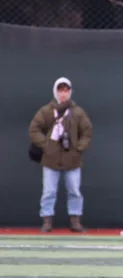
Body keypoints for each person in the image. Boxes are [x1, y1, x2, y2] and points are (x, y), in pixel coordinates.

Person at [28, 77, 93, 233]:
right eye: (60, 90)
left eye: (66, 90)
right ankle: (47, 221)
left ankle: (75, 221)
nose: (63, 94)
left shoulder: (77, 112)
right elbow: (34, 130)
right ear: (55, 92)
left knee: (74, 191)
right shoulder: (46, 111)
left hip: (72, 159)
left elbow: (87, 132)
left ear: (70, 92)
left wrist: (79, 148)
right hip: (50, 159)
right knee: (48, 192)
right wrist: (46, 145)